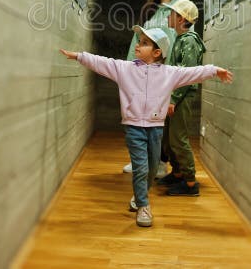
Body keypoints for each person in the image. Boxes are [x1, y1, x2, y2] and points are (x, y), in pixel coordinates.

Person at [59, 27, 234, 227]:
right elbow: (102, 62)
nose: (138, 45)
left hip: (156, 127)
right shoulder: (124, 69)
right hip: (133, 127)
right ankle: (143, 205)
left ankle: (139, 194)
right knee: (141, 168)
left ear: (157, 52)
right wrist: (79, 56)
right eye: (139, 41)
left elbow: (193, 72)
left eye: (144, 43)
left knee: (152, 169)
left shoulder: (170, 73)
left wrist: (214, 70)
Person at [122, 0, 187, 176]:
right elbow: (139, 37)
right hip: (140, 70)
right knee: (137, 114)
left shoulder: (179, 8)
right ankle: (139, 160)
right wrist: (129, 65)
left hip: (161, 72)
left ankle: (158, 162)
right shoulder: (151, 7)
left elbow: (177, 41)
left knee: (157, 119)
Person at [156, 0, 204, 196]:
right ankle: (177, 174)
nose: (168, 16)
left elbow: (186, 74)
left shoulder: (190, 41)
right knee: (168, 139)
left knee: (178, 139)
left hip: (181, 97)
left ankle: (191, 184)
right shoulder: (180, 39)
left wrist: (174, 99)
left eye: (172, 14)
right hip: (174, 96)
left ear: (182, 18)